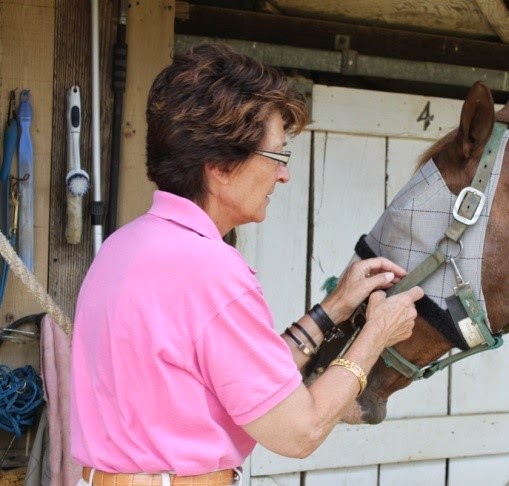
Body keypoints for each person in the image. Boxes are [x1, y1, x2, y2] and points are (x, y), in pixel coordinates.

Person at [70, 43, 424, 485]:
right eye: (277, 156)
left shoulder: (126, 247)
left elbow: (246, 383)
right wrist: (376, 333)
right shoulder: (208, 269)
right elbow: (300, 430)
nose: (283, 175)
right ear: (220, 164)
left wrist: (334, 307)